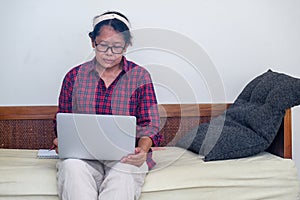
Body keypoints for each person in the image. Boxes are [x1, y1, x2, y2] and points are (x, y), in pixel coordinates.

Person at [52, 11, 161, 200]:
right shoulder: (74, 77)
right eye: (103, 46)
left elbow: (150, 125)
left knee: (123, 176)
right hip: (83, 157)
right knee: (72, 167)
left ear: (126, 46)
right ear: (93, 42)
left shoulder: (140, 76)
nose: (109, 54)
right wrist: (61, 141)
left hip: (125, 158)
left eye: (117, 47)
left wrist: (142, 150)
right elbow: (63, 121)